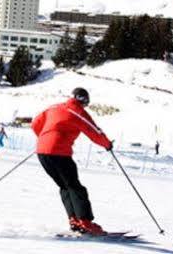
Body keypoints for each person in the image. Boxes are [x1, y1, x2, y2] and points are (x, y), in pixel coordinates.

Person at [31, 87, 113, 236]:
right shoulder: (77, 112)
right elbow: (93, 130)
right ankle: (85, 222)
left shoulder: (54, 107)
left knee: (65, 186)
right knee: (75, 187)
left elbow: (35, 123)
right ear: (83, 101)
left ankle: (74, 220)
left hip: (42, 152)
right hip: (58, 152)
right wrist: (107, 144)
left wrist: (44, 138)